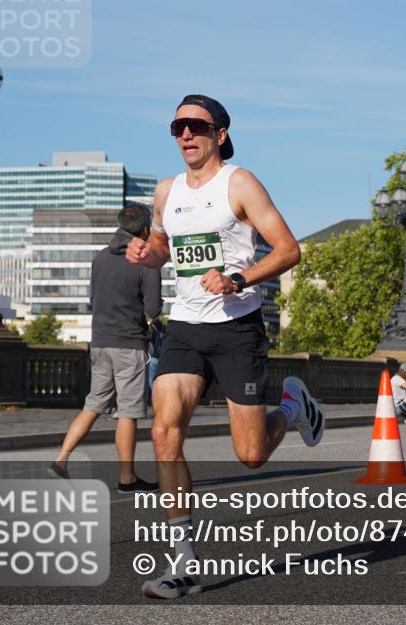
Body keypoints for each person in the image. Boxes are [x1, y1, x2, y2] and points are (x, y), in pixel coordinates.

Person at [126, 94, 324, 599]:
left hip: (237, 326)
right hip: (186, 327)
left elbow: (288, 250)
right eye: (177, 127)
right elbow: (164, 248)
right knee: (164, 430)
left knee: (251, 454)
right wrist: (148, 254)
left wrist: (238, 278)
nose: (185, 135)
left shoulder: (239, 182)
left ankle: (292, 406)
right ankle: (184, 561)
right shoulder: (166, 191)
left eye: (196, 126)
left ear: (220, 135)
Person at [48, 206, 162, 491]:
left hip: (99, 342)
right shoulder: (145, 260)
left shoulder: (100, 258)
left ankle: (61, 460)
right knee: (128, 411)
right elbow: (153, 308)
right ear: (145, 229)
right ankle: (127, 478)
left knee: (93, 404)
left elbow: (92, 297)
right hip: (129, 344)